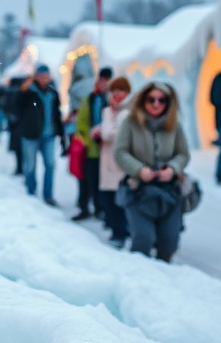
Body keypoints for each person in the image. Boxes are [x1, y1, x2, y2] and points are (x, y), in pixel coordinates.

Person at [114, 82, 190, 263]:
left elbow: (183, 154)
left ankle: (162, 279)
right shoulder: (130, 122)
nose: (156, 104)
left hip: (168, 191)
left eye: (162, 100)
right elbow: (120, 151)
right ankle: (140, 279)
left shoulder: (174, 125)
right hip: (138, 190)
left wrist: (172, 169)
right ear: (143, 101)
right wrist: (139, 169)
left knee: (169, 241)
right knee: (143, 239)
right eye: (151, 100)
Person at [17, 64, 65, 206]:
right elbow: (15, 108)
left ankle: (48, 195)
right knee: (30, 166)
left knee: (50, 164)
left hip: (49, 135)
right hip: (31, 135)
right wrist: (21, 92)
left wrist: (61, 133)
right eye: (42, 77)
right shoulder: (28, 92)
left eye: (47, 77)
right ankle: (31, 191)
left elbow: (57, 114)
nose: (45, 79)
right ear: (36, 77)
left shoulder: (53, 93)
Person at [73, 67, 112, 221]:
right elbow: (81, 123)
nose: (104, 84)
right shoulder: (90, 99)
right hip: (91, 148)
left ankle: (100, 208)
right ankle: (84, 207)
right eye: (102, 81)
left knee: (103, 181)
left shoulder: (111, 100)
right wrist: (90, 138)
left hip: (107, 148)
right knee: (87, 179)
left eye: (106, 81)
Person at [97, 76, 132, 248]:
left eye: (121, 90)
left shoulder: (128, 112)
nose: (117, 94)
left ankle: (121, 232)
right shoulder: (107, 111)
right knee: (108, 197)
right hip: (106, 159)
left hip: (120, 160)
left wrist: (105, 130)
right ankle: (116, 230)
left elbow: (114, 135)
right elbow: (106, 132)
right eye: (114, 90)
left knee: (120, 198)